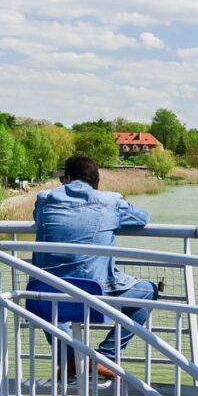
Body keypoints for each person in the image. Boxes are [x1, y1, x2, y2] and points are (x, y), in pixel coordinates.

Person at [31, 155, 157, 379]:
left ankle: (71, 360)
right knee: (148, 291)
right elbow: (142, 218)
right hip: (96, 295)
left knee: (51, 302)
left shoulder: (44, 199)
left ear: (65, 178)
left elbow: (37, 218)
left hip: (45, 294)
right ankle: (104, 357)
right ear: (95, 182)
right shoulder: (109, 201)